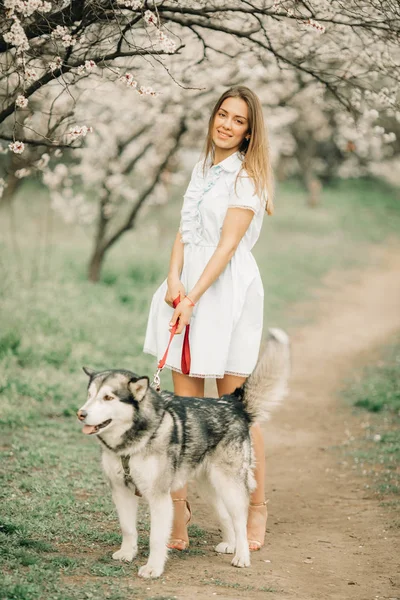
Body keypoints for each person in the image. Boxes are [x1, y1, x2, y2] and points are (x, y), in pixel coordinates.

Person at [143, 85, 274, 552]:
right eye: (223, 114)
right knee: (181, 410)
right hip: (186, 290)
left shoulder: (246, 179)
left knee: (235, 409)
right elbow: (185, 231)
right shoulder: (202, 169)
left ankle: (255, 507)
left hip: (225, 294)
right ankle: (177, 512)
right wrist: (174, 280)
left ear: (248, 131)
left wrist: (195, 295)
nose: (226, 124)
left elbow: (226, 246)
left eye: (238, 120)